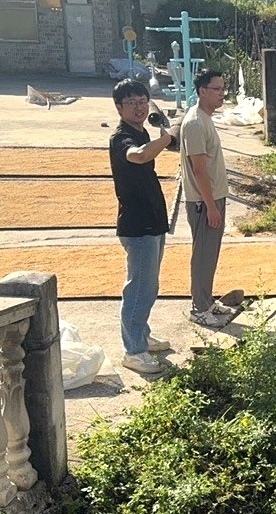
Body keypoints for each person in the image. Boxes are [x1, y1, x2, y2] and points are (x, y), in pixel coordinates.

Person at [109, 79, 177, 374]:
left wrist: (162, 134)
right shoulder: (121, 138)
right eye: (131, 103)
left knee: (149, 286)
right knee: (138, 288)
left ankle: (142, 336)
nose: (139, 108)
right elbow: (139, 156)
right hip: (137, 224)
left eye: (142, 101)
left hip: (153, 220)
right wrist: (168, 137)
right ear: (119, 108)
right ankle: (133, 351)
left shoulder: (141, 132)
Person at [179, 69, 238, 327]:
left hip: (212, 200)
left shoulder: (205, 118)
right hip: (204, 203)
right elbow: (199, 170)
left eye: (223, 88)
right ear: (202, 91)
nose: (222, 93)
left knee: (210, 253)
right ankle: (199, 308)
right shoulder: (195, 123)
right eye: (216, 89)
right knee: (203, 254)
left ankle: (206, 300)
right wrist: (211, 206)